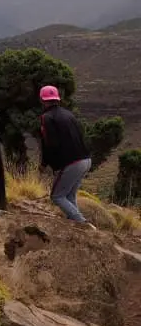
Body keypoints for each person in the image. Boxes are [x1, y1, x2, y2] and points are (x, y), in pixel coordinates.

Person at [38, 85, 96, 230]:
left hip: (71, 163)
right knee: (69, 195)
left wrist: (44, 164)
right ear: (57, 99)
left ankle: (83, 224)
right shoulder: (68, 114)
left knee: (57, 196)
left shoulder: (46, 118)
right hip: (86, 160)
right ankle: (76, 227)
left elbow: (49, 144)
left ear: (42, 100)